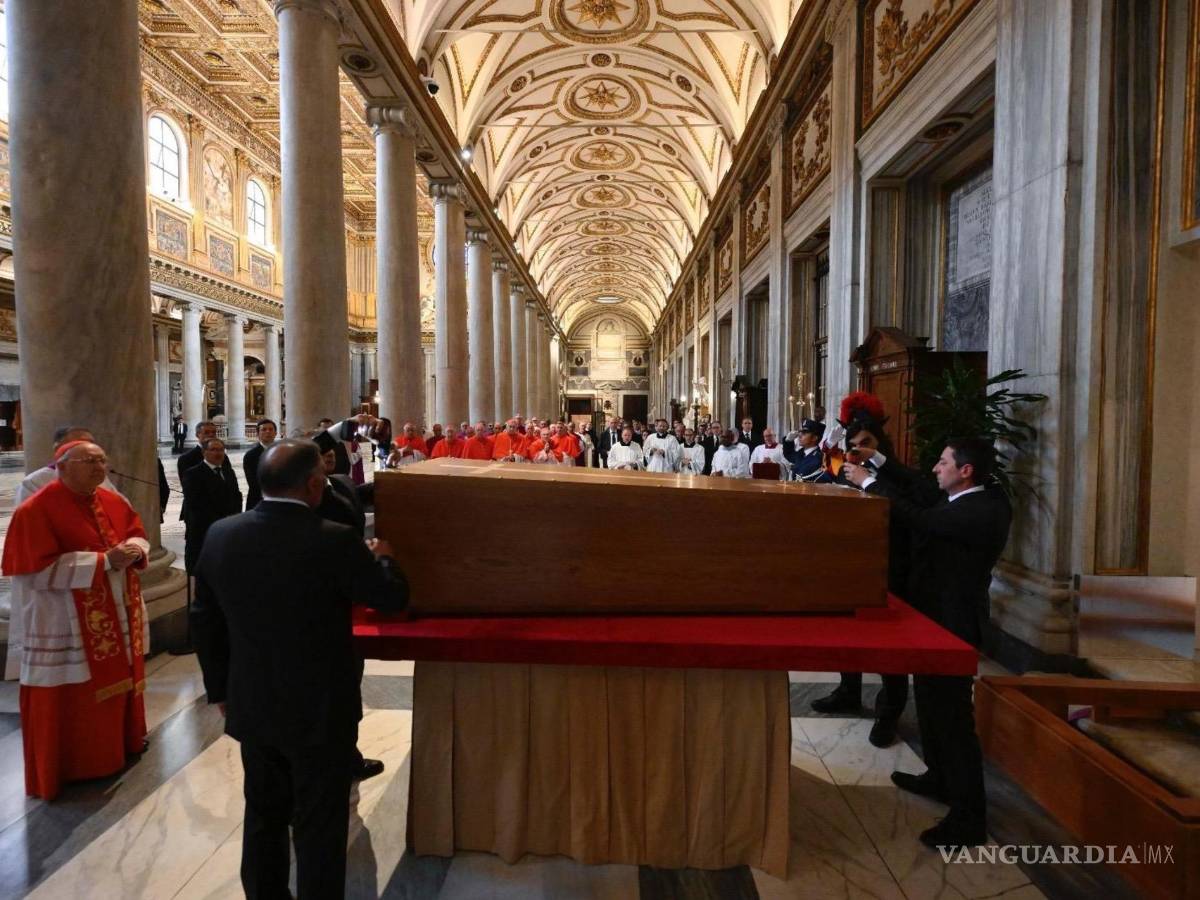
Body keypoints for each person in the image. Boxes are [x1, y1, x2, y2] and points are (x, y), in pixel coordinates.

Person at [192, 438, 408, 898]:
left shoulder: (221, 534)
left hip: (253, 702)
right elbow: (390, 599)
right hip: (320, 707)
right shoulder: (333, 539)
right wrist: (385, 556)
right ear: (314, 484)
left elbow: (204, 622)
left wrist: (221, 691)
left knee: (264, 815)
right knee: (318, 823)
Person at [844, 437, 1010, 849]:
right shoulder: (961, 495)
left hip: (954, 623)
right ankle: (938, 777)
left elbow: (920, 519)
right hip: (932, 617)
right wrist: (878, 461)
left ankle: (970, 818)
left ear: (965, 471)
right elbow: (917, 484)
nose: (935, 468)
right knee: (931, 707)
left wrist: (869, 483)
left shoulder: (984, 509)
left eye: (942, 461)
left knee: (954, 721)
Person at [1, 440, 151, 800]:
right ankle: (75, 765)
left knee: (117, 686)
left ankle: (119, 748)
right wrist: (102, 562)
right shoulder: (35, 510)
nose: (100, 468)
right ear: (61, 466)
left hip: (113, 614)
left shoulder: (113, 500)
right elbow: (31, 573)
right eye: (89, 461)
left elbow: (137, 533)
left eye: (103, 461)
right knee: (73, 699)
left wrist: (136, 549)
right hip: (63, 623)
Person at [811, 398, 922, 747]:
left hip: (892, 565)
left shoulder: (897, 475)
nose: (857, 451)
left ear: (879, 445)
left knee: (890, 644)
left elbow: (904, 512)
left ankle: (889, 711)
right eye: (853, 446)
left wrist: (869, 479)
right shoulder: (844, 469)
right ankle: (848, 689)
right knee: (849, 633)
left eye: (866, 445)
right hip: (854, 561)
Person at [181, 438, 243, 575]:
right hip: (204, 529)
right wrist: (222, 520)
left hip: (228, 528)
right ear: (204, 452)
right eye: (214, 450)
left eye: (221, 450)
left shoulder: (228, 472)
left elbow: (237, 495)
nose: (218, 453)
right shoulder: (193, 474)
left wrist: (235, 516)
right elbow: (195, 503)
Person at [15, 425, 119, 507]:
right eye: (77, 444)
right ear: (58, 449)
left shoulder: (99, 479)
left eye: (90, 443)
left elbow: (124, 513)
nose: (87, 448)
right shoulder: (34, 482)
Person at [242, 418, 277, 511]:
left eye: (270, 429)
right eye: (264, 430)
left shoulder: (283, 452)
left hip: (281, 500)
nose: (268, 432)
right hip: (258, 500)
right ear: (257, 434)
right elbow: (253, 482)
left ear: (275, 433)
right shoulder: (250, 455)